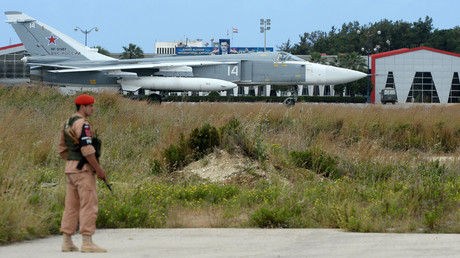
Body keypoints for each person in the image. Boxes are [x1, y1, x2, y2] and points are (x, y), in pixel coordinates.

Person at [58, 94, 107, 253]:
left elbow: (62, 149)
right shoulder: (83, 124)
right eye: (90, 106)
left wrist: (72, 161)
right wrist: (97, 169)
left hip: (70, 169)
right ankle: (87, 241)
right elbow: (87, 149)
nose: (93, 109)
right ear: (82, 107)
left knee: (71, 206)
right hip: (83, 170)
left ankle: (67, 241)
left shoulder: (67, 123)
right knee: (88, 205)